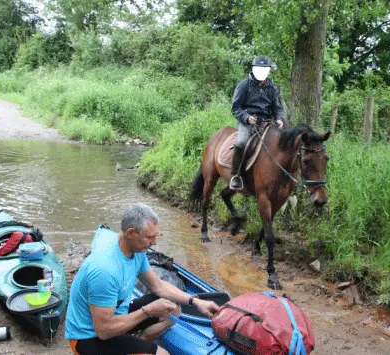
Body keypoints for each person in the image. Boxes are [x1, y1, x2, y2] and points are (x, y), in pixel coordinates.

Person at [65, 203, 220, 355]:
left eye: (155, 236)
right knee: (162, 354)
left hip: (116, 315)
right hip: (88, 337)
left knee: (173, 308)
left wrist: (195, 301)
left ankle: (141, 342)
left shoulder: (135, 249)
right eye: (149, 238)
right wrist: (147, 311)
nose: (154, 243)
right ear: (131, 233)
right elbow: (103, 331)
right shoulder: (105, 270)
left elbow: (158, 286)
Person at [230, 55, 288, 191]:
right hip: (248, 122)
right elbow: (235, 108)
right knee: (242, 142)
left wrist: (279, 118)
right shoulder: (244, 85)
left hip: (267, 122)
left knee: (282, 143)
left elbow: (277, 108)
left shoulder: (272, 88)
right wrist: (247, 117)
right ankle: (236, 175)